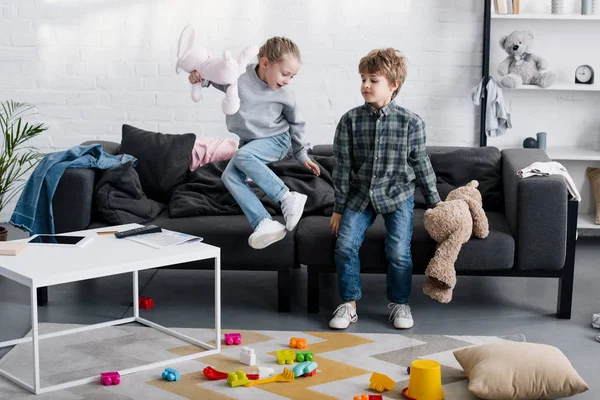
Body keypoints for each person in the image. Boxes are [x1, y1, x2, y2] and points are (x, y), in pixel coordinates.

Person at [328, 48, 440, 330]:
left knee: (399, 251)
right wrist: (338, 209)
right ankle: (349, 304)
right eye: (363, 79)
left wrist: (436, 202)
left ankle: (400, 303)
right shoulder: (349, 121)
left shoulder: (411, 122)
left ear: (393, 85)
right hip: (360, 195)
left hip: (398, 193)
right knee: (344, 246)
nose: (365, 85)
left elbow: (420, 162)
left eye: (373, 80)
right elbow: (341, 168)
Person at [189, 37, 320, 249]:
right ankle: (264, 222)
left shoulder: (285, 93)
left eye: (292, 76)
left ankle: (287, 197)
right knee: (229, 176)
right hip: (250, 143)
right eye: (285, 74)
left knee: (242, 156)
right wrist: (200, 78)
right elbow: (218, 80)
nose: (287, 80)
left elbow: (297, 122)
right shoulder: (239, 76)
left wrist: (302, 154)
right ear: (266, 63)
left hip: (277, 139)